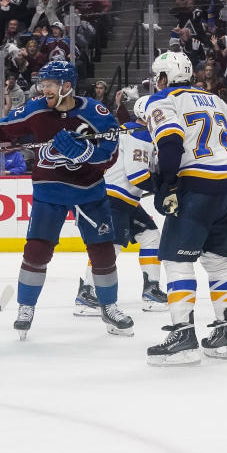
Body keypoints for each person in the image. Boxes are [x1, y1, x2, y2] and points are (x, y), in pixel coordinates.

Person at [0, 61, 129, 340]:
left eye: (49, 84)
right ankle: (25, 307)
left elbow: (111, 153)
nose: (43, 88)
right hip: (49, 190)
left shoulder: (97, 112)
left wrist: (85, 154)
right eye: (43, 83)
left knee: (103, 250)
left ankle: (109, 306)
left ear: (67, 86)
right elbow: (3, 127)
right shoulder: (35, 109)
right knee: (36, 250)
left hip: (88, 190)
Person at [143, 51, 227, 366]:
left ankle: (183, 336)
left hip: (196, 188)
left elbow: (172, 143)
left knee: (177, 262)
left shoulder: (161, 100)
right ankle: (226, 335)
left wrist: (169, 185)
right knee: (218, 261)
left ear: (163, 78)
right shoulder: (217, 101)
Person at [74, 95, 169, 315]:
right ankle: (87, 293)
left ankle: (151, 290)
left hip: (123, 199)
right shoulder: (139, 133)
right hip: (114, 198)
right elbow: (137, 175)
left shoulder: (134, 132)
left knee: (151, 236)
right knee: (110, 248)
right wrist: (163, 189)